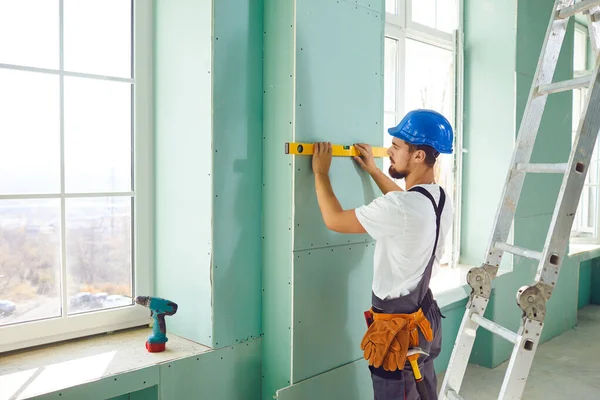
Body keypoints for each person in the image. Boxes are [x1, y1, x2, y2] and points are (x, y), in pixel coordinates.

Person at [311, 109, 454, 400]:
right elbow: (402, 203)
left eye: (397, 146)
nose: (389, 151)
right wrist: (375, 171)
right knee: (423, 393)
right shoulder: (438, 198)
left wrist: (321, 173)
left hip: (397, 334)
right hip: (424, 321)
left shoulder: (401, 209)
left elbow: (334, 219)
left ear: (418, 156)